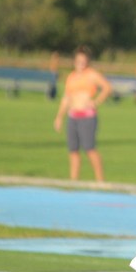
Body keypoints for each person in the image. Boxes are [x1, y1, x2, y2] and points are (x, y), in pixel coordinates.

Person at [53, 45, 112, 182]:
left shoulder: (91, 74)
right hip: (73, 117)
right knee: (73, 151)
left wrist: (96, 102)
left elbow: (107, 87)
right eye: (79, 61)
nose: (81, 64)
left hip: (87, 117)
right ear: (74, 61)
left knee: (89, 148)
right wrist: (59, 117)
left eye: (84, 61)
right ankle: (74, 181)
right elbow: (66, 98)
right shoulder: (71, 77)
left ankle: (100, 181)